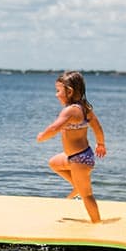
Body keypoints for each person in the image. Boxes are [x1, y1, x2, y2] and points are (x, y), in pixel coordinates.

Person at [36, 70, 107, 223]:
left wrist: (43, 136)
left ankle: (97, 223)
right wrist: (101, 144)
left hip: (79, 160)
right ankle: (76, 186)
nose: (56, 94)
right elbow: (98, 128)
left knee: (87, 195)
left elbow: (54, 128)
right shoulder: (85, 108)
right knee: (54, 163)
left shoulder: (70, 111)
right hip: (77, 156)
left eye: (58, 91)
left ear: (69, 91)